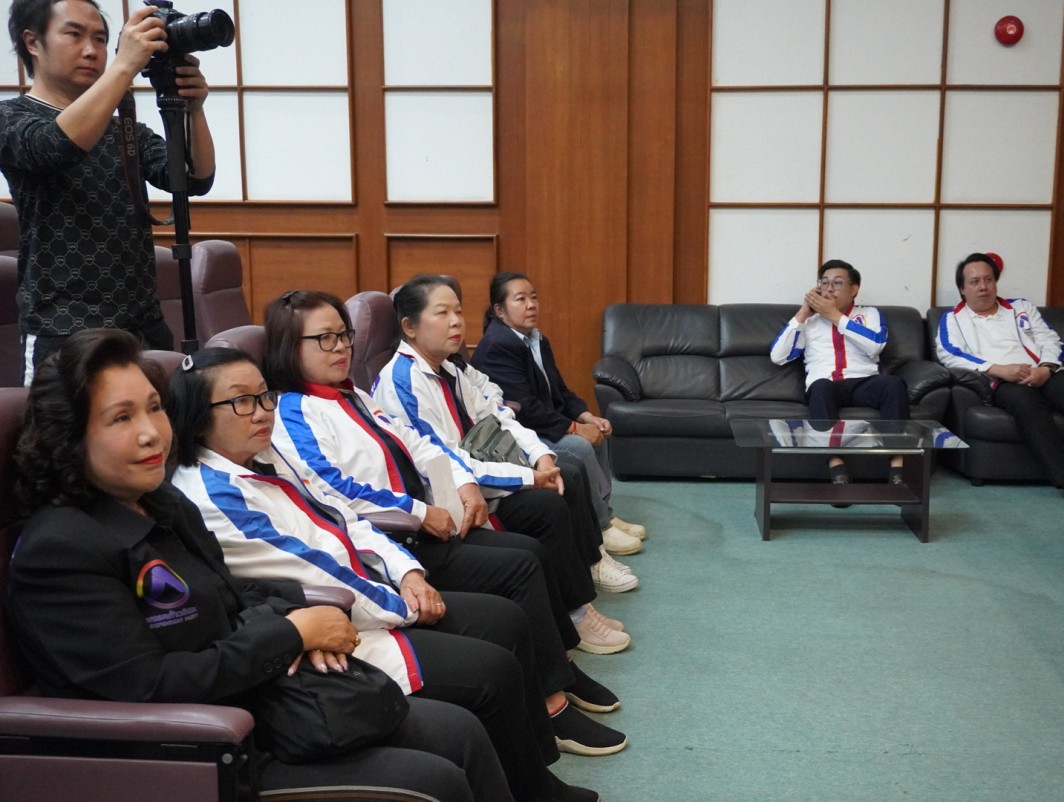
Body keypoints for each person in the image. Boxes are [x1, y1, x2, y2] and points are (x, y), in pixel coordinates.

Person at [7, 328, 503, 802]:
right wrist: (291, 636)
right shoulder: (60, 551)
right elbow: (150, 686)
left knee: (458, 732)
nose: (151, 433)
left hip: (262, 695)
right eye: (121, 418)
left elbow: (230, 593)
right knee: (434, 780)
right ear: (69, 437)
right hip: (205, 750)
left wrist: (299, 621)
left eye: (154, 408)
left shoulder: (161, 503)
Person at [167, 347, 608, 800]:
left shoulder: (266, 455)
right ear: (198, 417)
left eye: (264, 397)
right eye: (241, 401)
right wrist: (405, 606)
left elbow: (345, 517)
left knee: (505, 619)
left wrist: (409, 574)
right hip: (345, 626)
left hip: (379, 589)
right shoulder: (213, 495)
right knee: (490, 671)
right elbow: (317, 572)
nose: (262, 411)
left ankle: (536, 780)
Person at [261, 292, 632, 704]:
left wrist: (462, 482)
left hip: (431, 516)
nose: (341, 347)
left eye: (344, 335)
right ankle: (552, 693)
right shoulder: (292, 413)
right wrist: (421, 512)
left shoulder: (352, 394)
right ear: (288, 347)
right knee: (522, 564)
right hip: (393, 541)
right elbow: (336, 493)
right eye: (324, 339)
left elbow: (420, 445)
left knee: (531, 553)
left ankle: (559, 668)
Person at [374, 275, 639, 600]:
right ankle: (577, 605)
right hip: (454, 497)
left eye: (458, 311)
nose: (456, 321)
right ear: (410, 327)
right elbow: (446, 461)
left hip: (482, 467)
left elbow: (497, 415)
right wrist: (529, 477)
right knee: (550, 502)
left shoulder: (449, 368)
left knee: (562, 473)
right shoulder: (403, 382)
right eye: (442, 313)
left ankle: (589, 566)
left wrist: (540, 456)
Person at [2, 0, 216, 383]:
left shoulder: (123, 128)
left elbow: (193, 178)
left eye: (100, 39)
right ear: (32, 42)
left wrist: (194, 109)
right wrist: (124, 66)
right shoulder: (12, 117)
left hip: (142, 323)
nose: (91, 50)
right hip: (64, 328)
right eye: (74, 34)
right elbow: (57, 145)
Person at [471, 272, 648, 560]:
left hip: (543, 423)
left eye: (533, 297)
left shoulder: (536, 339)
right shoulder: (497, 346)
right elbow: (526, 408)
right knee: (579, 446)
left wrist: (588, 418)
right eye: (520, 299)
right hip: (518, 434)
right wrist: (574, 429)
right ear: (500, 310)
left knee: (599, 433)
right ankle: (600, 527)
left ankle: (604, 513)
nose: (531, 305)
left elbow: (560, 391)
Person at [934, 252, 1064, 503]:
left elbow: (1051, 340)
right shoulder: (953, 319)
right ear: (963, 289)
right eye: (975, 282)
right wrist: (997, 369)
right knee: (1027, 405)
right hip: (1002, 380)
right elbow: (950, 354)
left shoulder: (1021, 308)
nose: (983, 287)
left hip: (1044, 371)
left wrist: (1045, 368)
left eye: (988, 280)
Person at [769, 259, 909, 486]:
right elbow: (778, 356)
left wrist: (834, 315)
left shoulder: (870, 314)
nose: (829, 288)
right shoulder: (810, 321)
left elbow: (875, 345)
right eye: (824, 283)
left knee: (894, 385)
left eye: (837, 283)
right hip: (827, 385)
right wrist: (804, 312)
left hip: (865, 383)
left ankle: (897, 466)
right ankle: (836, 465)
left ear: (853, 290)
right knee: (819, 388)